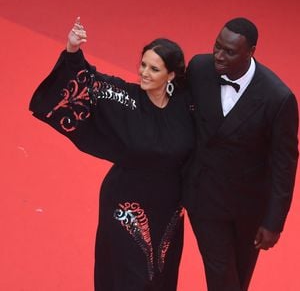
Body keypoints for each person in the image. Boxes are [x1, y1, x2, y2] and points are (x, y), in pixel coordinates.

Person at [29, 17, 194, 290]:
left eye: (154, 68)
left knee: (160, 275)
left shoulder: (187, 106)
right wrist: (72, 50)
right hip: (125, 207)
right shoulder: (125, 98)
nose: (144, 73)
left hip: (168, 210)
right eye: (143, 64)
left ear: (171, 75)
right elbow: (88, 81)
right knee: (128, 277)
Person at [184, 17, 299, 291]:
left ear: (251, 52)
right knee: (221, 273)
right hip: (204, 198)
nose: (218, 55)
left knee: (239, 277)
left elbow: (285, 163)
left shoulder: (278, 98)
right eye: (217, 46)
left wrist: (274, 221)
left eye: (229, 51)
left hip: (249, 209)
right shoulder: (199, 68)